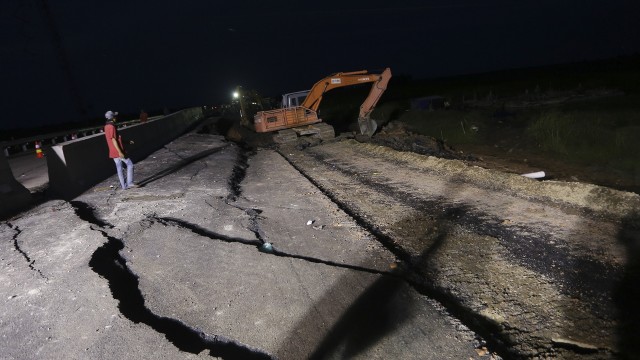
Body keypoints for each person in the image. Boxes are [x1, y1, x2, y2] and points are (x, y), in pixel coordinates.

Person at [104, 110, 137, 190]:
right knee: (130, 164)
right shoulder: (111, 126)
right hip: (117, 151)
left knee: (119, 168)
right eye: (115, 116)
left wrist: (127, 141)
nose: (116, 118)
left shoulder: (106, 126)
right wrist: (120, 152)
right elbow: (113, 140)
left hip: (112, 151)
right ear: (113, 118)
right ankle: (130, 183)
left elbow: (116, 139)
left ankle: (124, 186)